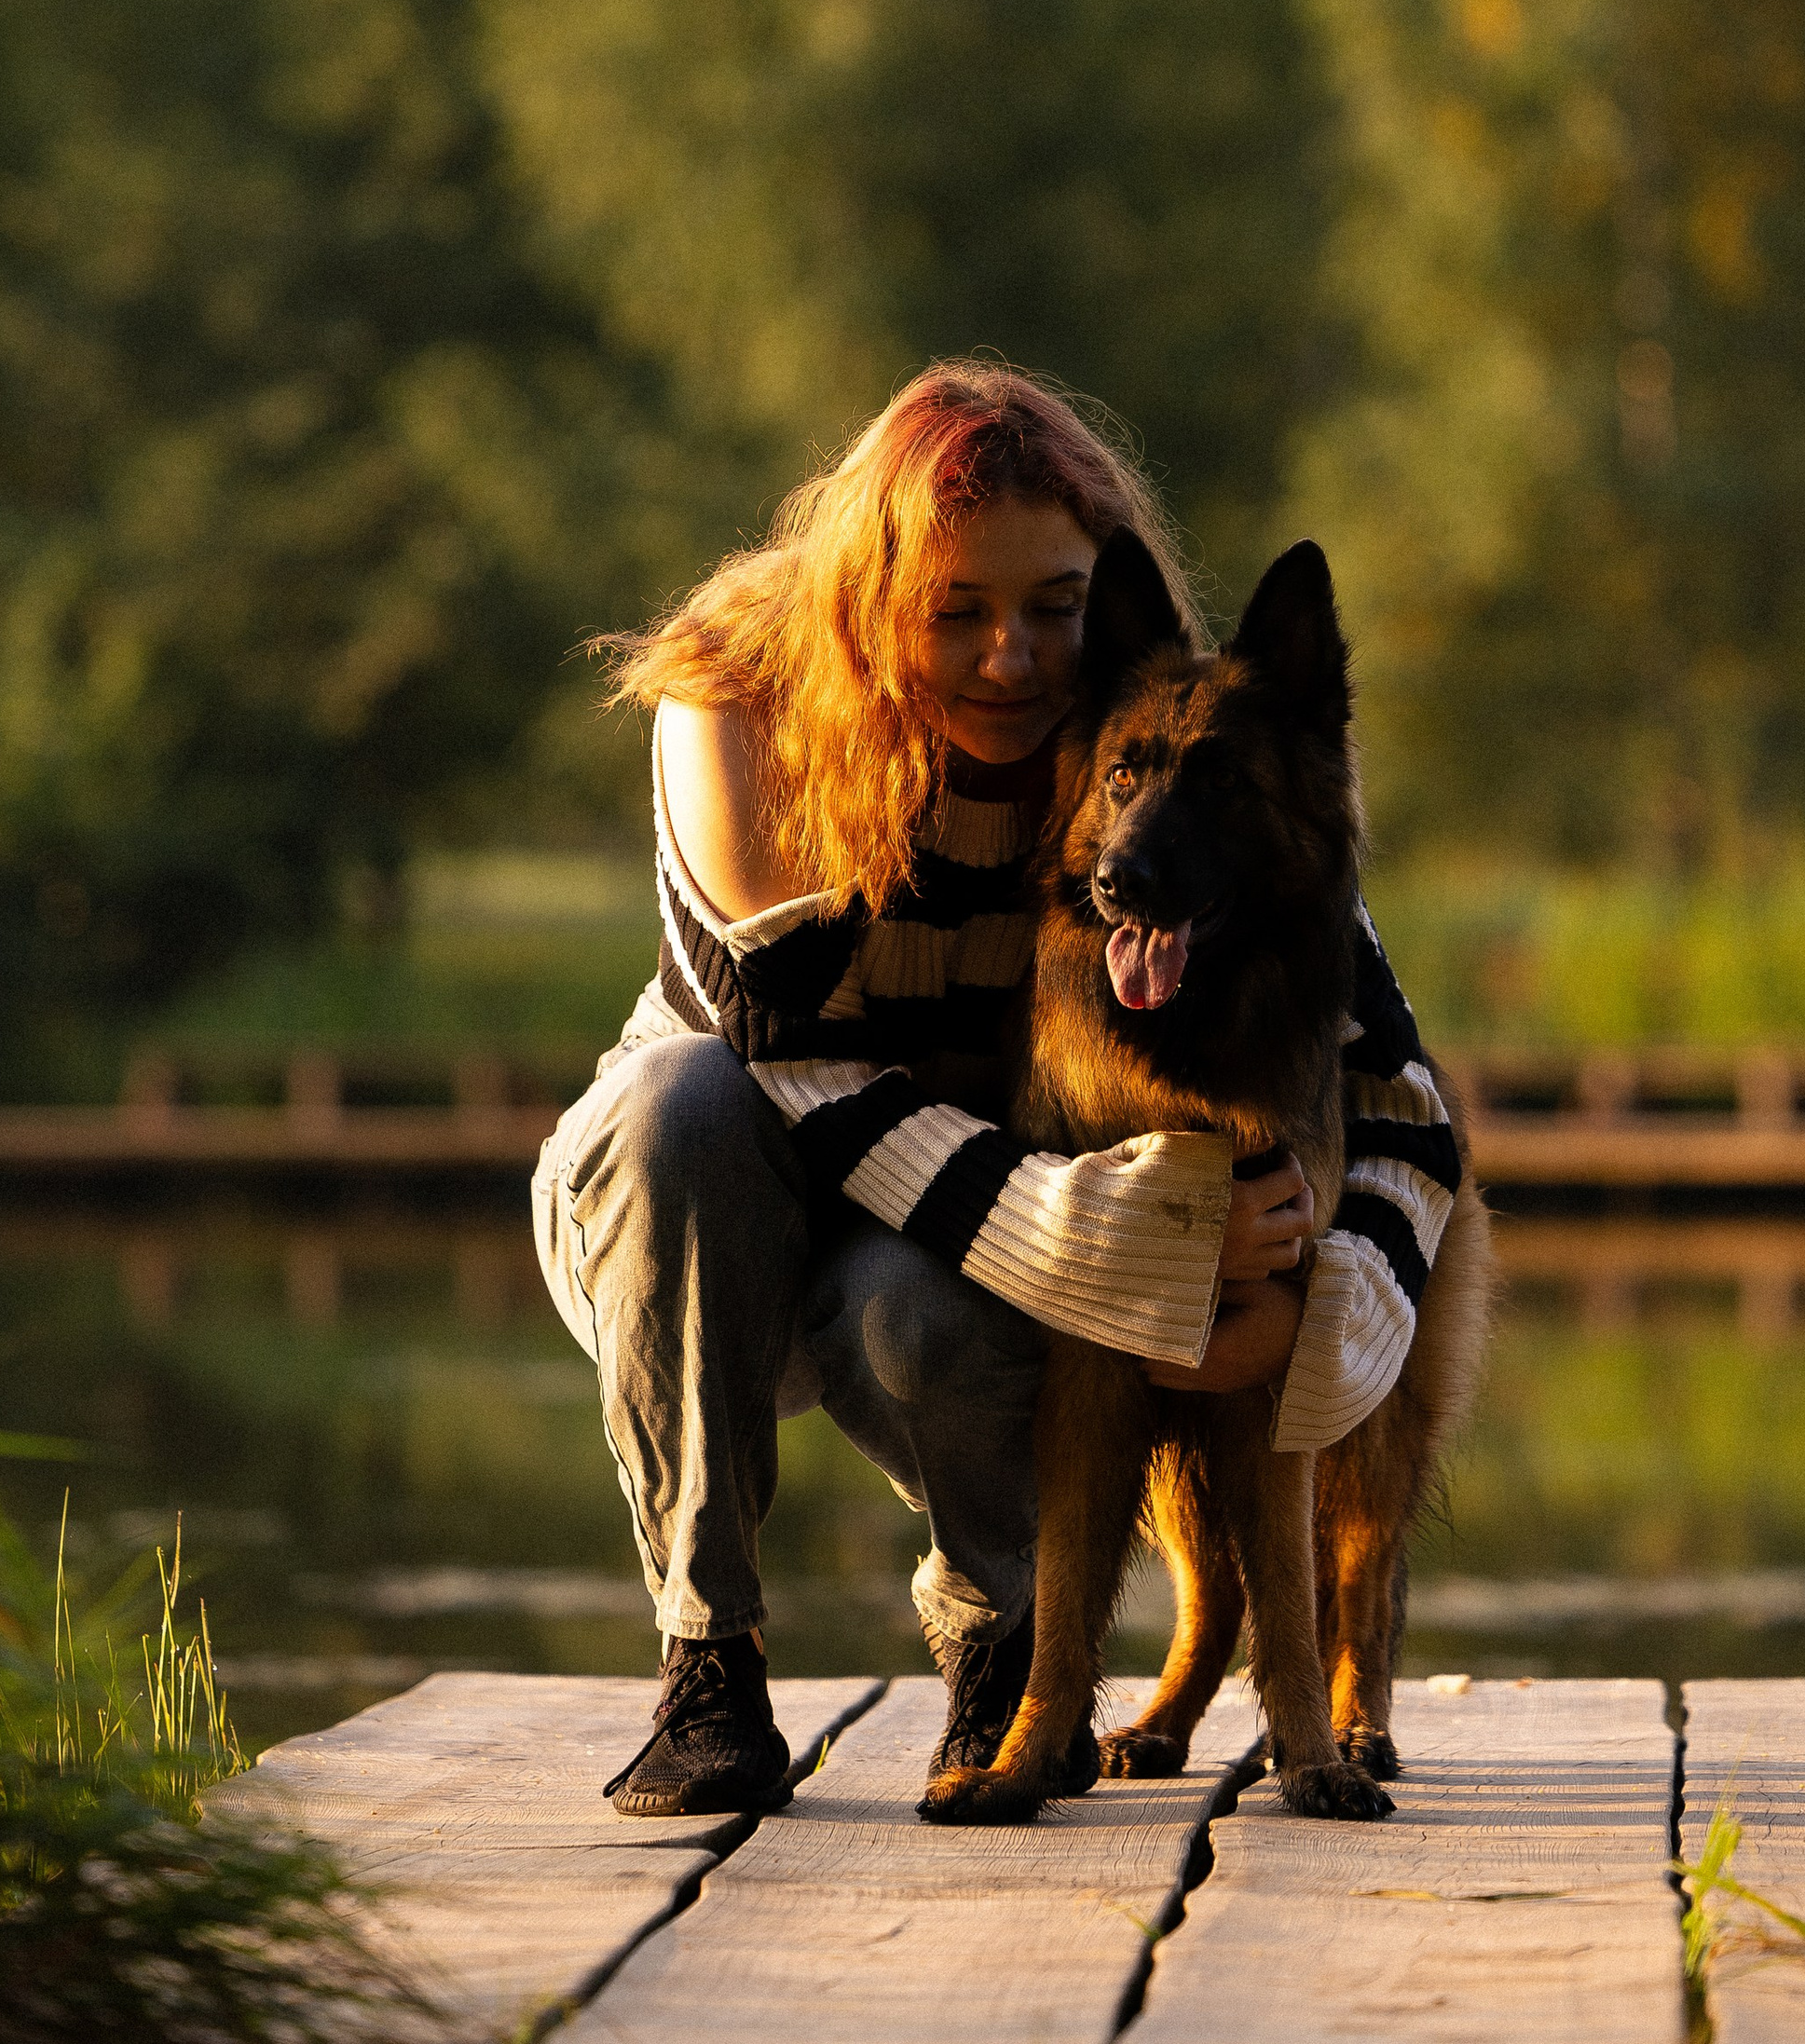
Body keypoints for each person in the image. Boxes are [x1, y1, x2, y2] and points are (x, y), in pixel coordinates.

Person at [530, 361, 1458, 1814]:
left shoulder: (1139, 758)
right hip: (696, 1221)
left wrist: (1311, 1305)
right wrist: (1120, 1248)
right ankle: (707, 1657)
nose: (1014, 655)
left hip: (927, 1235)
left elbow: (1402, 1093)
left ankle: (1002, 1637)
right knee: (687, 1102)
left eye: (1054, 606)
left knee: (921, 1305)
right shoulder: (741, 705)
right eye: (955, 610)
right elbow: (791, 1058)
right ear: (871, 595)